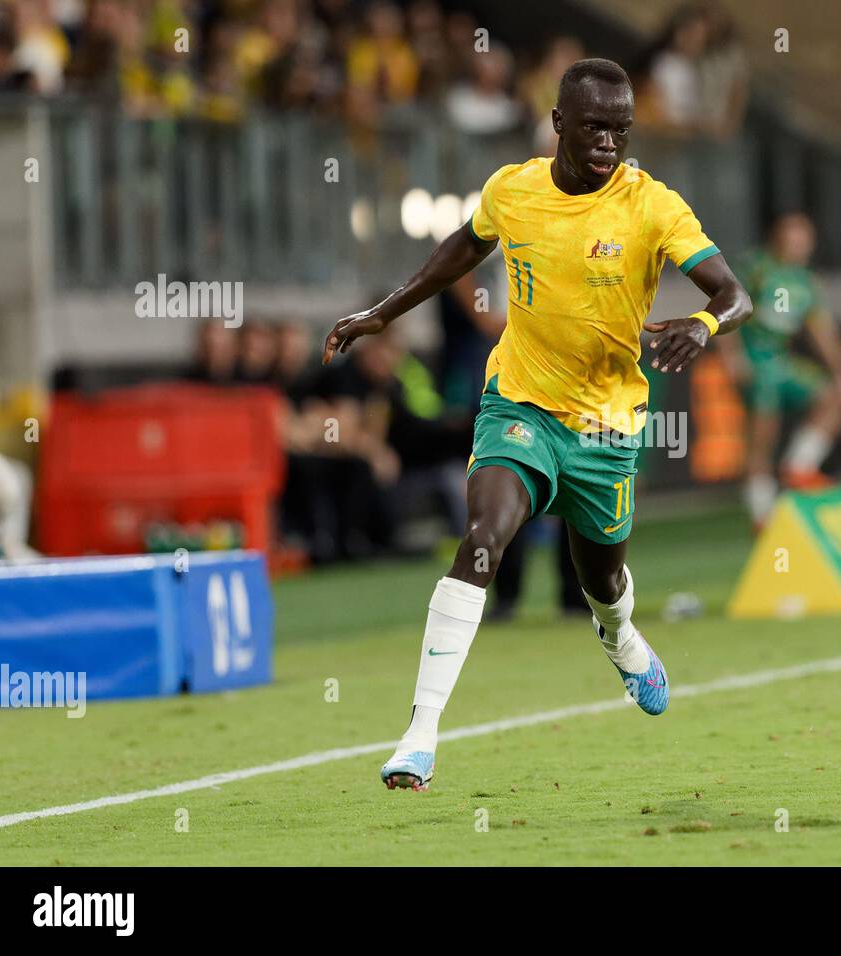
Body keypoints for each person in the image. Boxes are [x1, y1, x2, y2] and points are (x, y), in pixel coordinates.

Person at [322, 58, 752, 791]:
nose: (610, 143)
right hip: (518, 404)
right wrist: (381, 313)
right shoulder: (512, 189)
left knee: (603, 577)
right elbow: (463, 247)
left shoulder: (652, 205)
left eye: (621, 129)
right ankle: (419, 736)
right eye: (594, 127)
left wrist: (708, 324)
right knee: (482, 540)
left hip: (608, 427)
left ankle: (618, 637)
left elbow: (734, 292)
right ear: (558, 124)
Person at [717, 212, 841, 526]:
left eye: (803, 240)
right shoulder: (756, 267)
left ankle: (799, 466)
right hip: (756, 364)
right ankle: (762, 517)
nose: (797, 246)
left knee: (833, 394)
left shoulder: (805, 282)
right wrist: (732, 356)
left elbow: (821, 329)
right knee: (762, 436)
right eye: (791, 238)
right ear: (776, 238)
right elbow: (724, 304)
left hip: (781, 363)